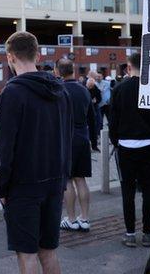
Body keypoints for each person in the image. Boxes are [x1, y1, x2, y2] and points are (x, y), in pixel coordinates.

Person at [0, 32, 71, 274]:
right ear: (37, 54)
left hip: (23, 184)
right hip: (54, 181)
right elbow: (66, 138)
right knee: (48, 251)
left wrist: (2, 186)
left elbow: (5, 147)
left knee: (27, 254)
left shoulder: (12, 93)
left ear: (10, 57)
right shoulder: (61, 91)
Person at [109, 52, 150, 248]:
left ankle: (130, 232)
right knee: (149, 190)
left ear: (128, 68)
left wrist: (116, 140)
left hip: (126, 145)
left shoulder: (120, 89)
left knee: (127, 191)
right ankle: (147, 232)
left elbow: (113, 120)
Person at [56, 58, 93, 233]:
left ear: (57, 71)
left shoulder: (58, 90)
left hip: (66, 138)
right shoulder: (84, 89)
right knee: (81, 179)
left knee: (68, 179)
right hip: (83, 137)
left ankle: (71, 219)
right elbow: (93, 116)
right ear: (73, 70)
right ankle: (85, 219)